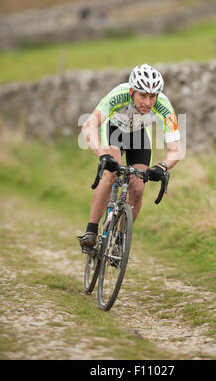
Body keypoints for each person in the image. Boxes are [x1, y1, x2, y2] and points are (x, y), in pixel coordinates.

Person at [78, 63, 182, 251]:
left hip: (139, 135)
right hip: (113, 130)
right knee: (111, 173)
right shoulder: (118, 95)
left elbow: (175, 149)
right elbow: (89, 125)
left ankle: (120, 241)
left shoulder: (164, 106)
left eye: (152, 96)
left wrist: (162, 167)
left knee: (138, 187)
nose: (148, 102)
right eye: (143, 95)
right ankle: (91, 231)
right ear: (132, 91)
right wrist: (103, 154)